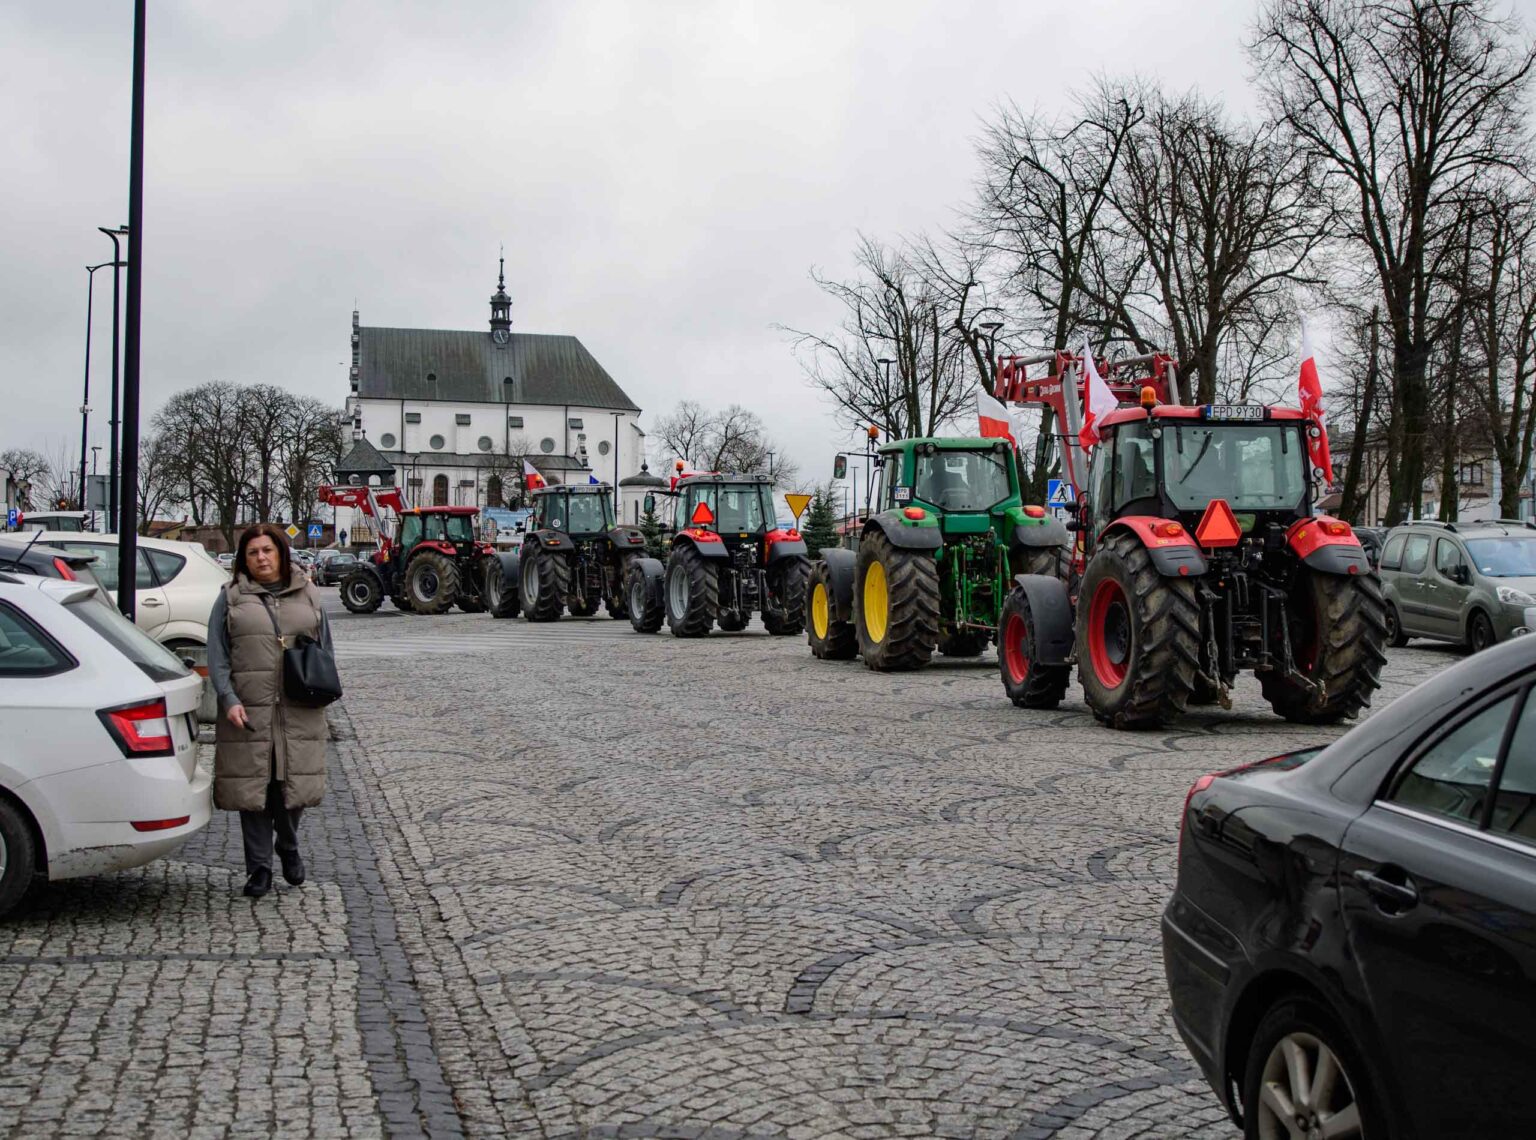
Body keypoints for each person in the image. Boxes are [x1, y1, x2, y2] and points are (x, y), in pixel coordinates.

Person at [207, 523, 334, 898]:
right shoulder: (230, 597)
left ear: (280, 552)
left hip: (299, 710)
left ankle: (289, 846)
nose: (261, 558)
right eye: (252, 552)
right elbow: (217, 654)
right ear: (243, 560)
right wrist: (227, 698)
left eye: (267, 550)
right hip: (249, 712)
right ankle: (259, 869)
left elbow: (325, 650)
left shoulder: (308, 593)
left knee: (292, 790)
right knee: (255, 793)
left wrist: (322, 691)